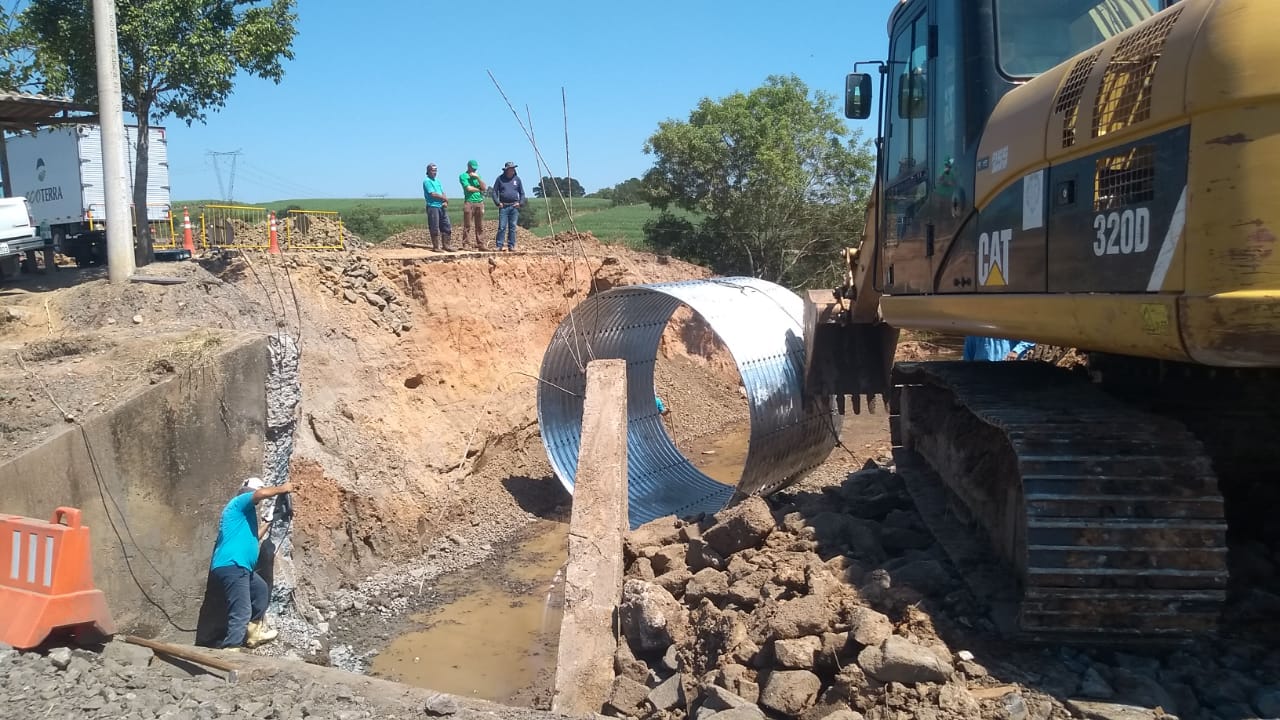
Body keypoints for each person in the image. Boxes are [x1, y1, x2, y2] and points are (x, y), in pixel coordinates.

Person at [209, 477, 294, 650]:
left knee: (260, 590)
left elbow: (255, 538)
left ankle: (253, 634)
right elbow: (261, 493)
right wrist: (283, 488)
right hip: (233, 565)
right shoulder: (239, 502)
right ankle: (231, 649)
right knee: (241, 609)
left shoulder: (244, 516)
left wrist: (269, 521)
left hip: (240, 568)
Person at [490, 161, 525, 252]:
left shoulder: (517, 179)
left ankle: (511, 245)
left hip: (514, 206)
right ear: (506, 170)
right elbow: (494, 192)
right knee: (502, 226)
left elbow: (522, 193)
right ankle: (499, 245)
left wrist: (520, 203)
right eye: (510, 169)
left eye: (513, 169)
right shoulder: (500, 179)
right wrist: (498, 203)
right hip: (503, 206)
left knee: (512, 227)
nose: (512, 170)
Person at [422, 163, 453, 251]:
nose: (435, 172)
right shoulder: (427, 181)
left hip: (441, 206)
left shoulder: (437, 181)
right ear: (428, 171)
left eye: (436, 170)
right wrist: (444, 198)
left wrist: (445, 200)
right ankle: (436, 246)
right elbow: (433, 194)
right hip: (433, 206)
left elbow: (442, 192)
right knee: (434, 226)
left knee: (446, 225)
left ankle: (446, 245)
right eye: (433, 170)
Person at [459, 160, 488, 251]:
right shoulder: (463, 176)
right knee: (467, 224)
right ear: (468, 166)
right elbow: (468, 188)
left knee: (479, 225)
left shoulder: (477, 176)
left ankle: (481, 244)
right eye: (472, 168)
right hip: (469, 202)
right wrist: (479, 190)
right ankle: (466, 243)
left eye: (475, 169)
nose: (474, 170)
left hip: (479, 202)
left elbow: (484, 187)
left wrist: (478, 178)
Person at [963, 336, 1035, 361]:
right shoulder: (975, 325)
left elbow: (1030, 339)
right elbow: (969, 350)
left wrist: (1016, 351)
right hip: (981, 369)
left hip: (1005, 369)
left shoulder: (1011, 319)